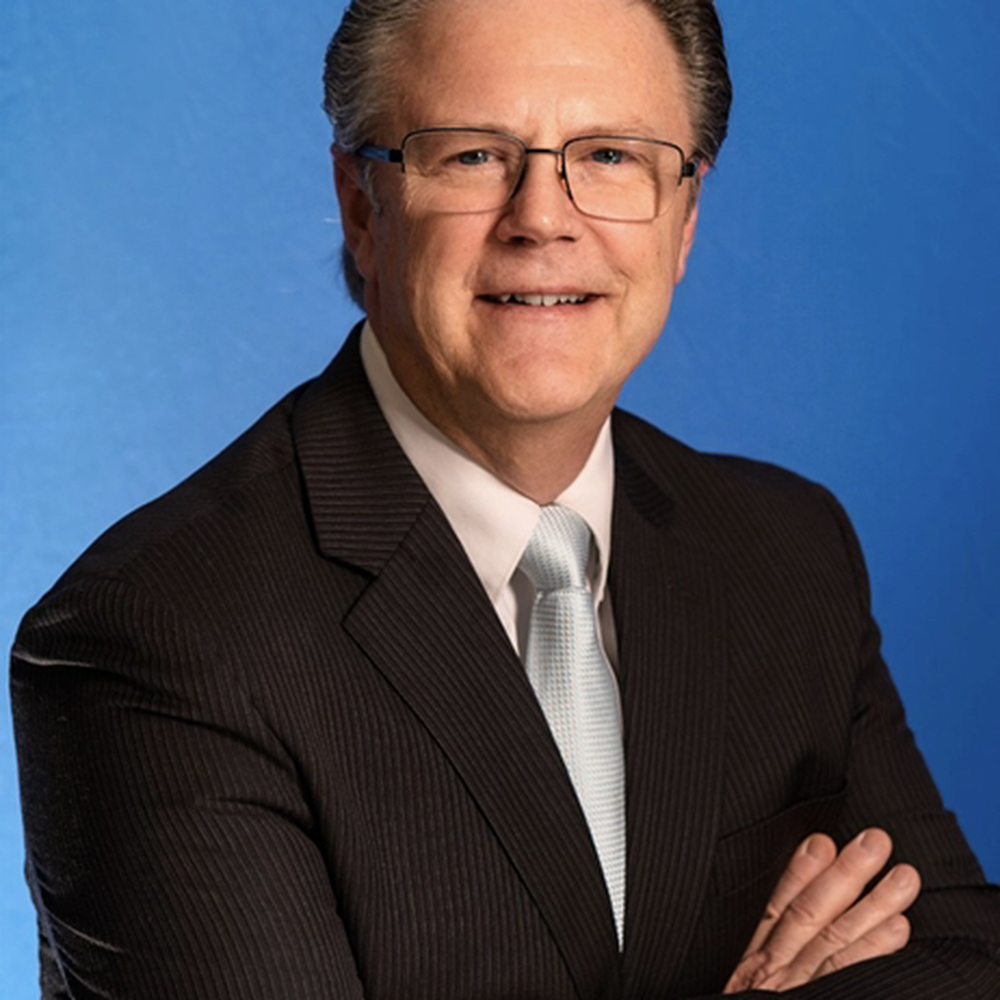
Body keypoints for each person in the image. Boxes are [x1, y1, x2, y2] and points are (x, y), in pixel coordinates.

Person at [11, 0, 999, 997]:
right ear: (362, 208)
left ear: (685, 218)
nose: (543, 218)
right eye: (474, 155)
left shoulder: (788, 550)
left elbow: (966, 959)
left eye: (610, 155)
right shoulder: (156, 635)